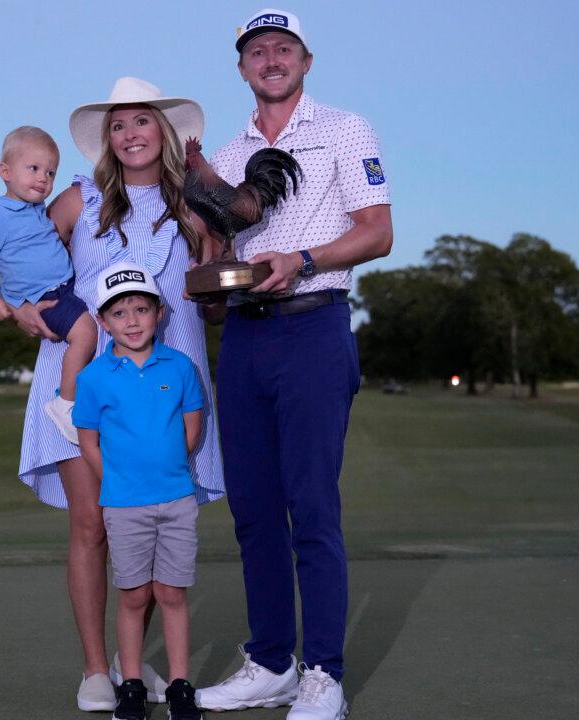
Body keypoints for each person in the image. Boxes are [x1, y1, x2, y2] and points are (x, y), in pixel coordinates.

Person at [195, 9, 393, 720]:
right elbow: (220, 253)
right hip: (246, 338)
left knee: (311, 507)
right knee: (252, 510)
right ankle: (272, 662)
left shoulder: (346, 128)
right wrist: (213, 281)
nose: (270, 58)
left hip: (314, 327)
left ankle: (324, 676)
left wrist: (303, 259)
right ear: (242, 67)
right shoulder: (226, 150)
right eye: (257, 50)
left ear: (305, 60)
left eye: (283, 48)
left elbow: (378, 233)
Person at [7, 78, 225, 713]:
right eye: (119, 125)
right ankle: (96, 670)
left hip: (165, 380)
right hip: (81, 378)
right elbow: (24, 254)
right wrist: (19, 304)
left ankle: (136, 666)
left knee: (149, 525)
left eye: (142, 122)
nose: (131, 135)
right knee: (92, 524)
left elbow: (213, 284)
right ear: (108, 139)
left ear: (163, 131)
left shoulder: (192, 204)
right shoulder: (79, 198)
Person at [74, 261, 205, 720]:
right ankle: (129, 685)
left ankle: (180, 686)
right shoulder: (93, 377)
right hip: (124, 504)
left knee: (172, 594)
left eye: (141, 309)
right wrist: (119, 476)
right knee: (133, 596)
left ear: (160, 312)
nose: (131, 320)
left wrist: (164, 466)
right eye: (119, 312)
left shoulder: (180, 367)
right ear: (103, 321)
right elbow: (88, 439)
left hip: (176, 500)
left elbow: (192, 426)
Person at [0, 126, 96, 443]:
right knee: (85, 335)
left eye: (50, 172)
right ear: (5, 172)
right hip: (45, 296)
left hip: (64, 287)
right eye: (34, 169)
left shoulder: (37, 210)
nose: (43, 178)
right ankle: (65, 404)